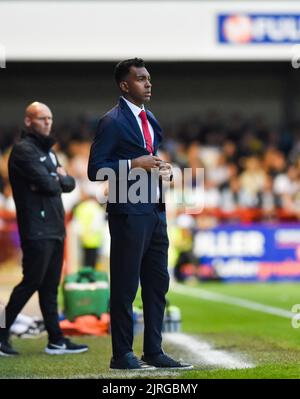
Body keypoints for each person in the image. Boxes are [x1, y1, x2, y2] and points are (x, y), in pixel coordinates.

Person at [88, 58, 192, 370]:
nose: (148, 83)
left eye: (148, 78)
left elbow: (149, 156)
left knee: (158, 283)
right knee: (125, 285)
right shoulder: (112, 121)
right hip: (127, 211)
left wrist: (162, 168)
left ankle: (154, 351)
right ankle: (121, 354)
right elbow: (96, 170)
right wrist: (135, 165)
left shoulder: (150, 119)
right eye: (141, 79)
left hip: (155, 210)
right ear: (124, 85)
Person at [0, 102, 88, 356]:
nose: (47, 122)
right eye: (41, 118)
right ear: (28, 121)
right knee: (31, 282)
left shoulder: (48, 153)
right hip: (36, 228)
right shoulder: (23, 151)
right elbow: (50, 184)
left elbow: (69, 183)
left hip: (55, 226)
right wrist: (56, 178)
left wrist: (57, 178)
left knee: (50, 287)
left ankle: (56, 339)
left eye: (49, 118)